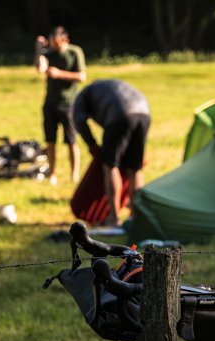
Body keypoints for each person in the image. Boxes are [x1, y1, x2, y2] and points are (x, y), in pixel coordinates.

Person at [72, 79, 151, 227]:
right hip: (144, 112)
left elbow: (79, 120)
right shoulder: (106, 87)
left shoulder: (81, 97)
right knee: (135, 168)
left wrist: (92, 145)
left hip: (119, 114)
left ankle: (114, 218)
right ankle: (136, 216)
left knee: (110, 166)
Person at [34, 26, 86, 185]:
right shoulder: (48, 53)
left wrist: (59, 74)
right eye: (52, 43)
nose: (54, 47)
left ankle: (74, 175)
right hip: (50, 103)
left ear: (66, 40)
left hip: (69, 104)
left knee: (71, 141)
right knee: (50, 141)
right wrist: (38, 49)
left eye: (57, 44)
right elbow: (39, 68)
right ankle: (53, 174)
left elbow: (82, 76)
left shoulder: (75, 52)